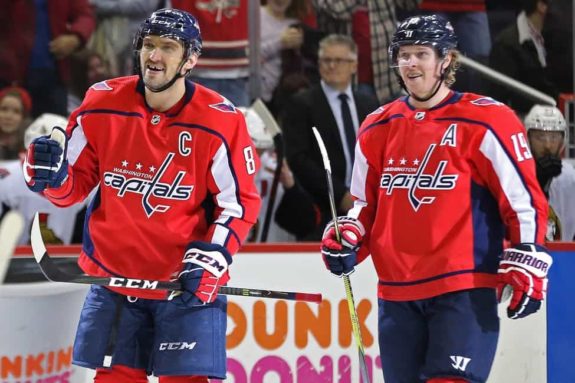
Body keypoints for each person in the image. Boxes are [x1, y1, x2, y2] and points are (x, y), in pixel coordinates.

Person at [23, 8, 260, 383]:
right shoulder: (100, 103)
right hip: (115, 282)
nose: (154, 56)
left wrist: (214, 256)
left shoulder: (220, 121)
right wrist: (49, 176)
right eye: (148, 45)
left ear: (191, 59)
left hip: (185, 284)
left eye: (168, 47)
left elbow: (240, 203)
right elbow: (72, 189)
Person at [320, 15, 550, 383]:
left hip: (463, 289)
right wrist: (348, 236)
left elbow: (521, 200)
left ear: (446, 60)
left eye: (421, 54)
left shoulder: (487, 121)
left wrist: (527, 257)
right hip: (396, 293)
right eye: (404, 55)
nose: (411, 63)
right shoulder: (377, 126)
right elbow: (364, 207)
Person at [281, 34, 379, 240]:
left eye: (339, 60)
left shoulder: (369, 104)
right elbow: (298, 158)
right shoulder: (302, 103)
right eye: (326, 60)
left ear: (353, 65)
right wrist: (339, 194)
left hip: (368, 208)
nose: (332, 66)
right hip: (322, 209)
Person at [0, 113, 87, 245]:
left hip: (61, 263)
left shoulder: (85, 185)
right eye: (41, 157)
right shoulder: (6, 180)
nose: (47, 165)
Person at [0, 0, 95, 117]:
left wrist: (75, 38)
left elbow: (84, 15)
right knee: (9, 128)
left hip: (54, 74)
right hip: (10, 75)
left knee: (55, 129)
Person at [240, 106, 319, 242]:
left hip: (269, 258)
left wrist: (291, 188)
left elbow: (308, 225)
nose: (256, 157)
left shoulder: (276, 172)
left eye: (261, 150)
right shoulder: (207, 171)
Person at [489, 0, 559, 116]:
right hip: (523, 121)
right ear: (541, 6)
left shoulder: (555, 38)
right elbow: (501, 96)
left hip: (553, 117)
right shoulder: (507, 44)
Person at [524, 104, 575, 241]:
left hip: (565, 255)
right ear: (527, 137)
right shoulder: (515, 172)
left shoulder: (570, 176)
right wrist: (537, 182)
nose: (547, 145)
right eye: (540, 137)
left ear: (563, 139)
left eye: (553, 137)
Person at [0, 86, 32, 160]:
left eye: (16, 111)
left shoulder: (31, 149)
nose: (9, 116)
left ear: (23, 117)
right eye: (4, 109)